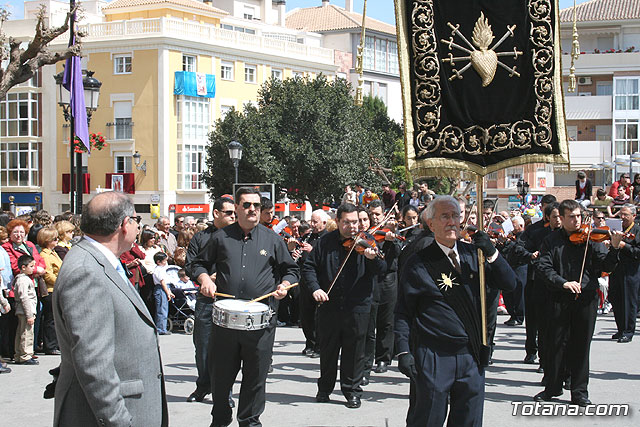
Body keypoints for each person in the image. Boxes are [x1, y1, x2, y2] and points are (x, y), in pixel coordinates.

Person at [395, 196, 516, 426]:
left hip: (471, 352)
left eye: (456, 216)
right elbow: (403, 311)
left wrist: (491, 252)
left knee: (468, 419)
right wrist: (402, 350)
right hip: (433, 354)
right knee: (427, 418)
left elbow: (510, 284)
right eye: (445, 216)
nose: (452, 222)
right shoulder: (418, 262)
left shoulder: (477, 255)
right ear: (431, 224)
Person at [52, 191, 168, 427]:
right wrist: (118, 421)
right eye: (137, 220)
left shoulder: (102, 260)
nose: (138, 227)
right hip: (109, 414)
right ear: (125, 225)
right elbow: (93, 362)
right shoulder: (86, 270)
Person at [190, 187, 298, 427]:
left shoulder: (272, 239)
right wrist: (205, 279)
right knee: (221, 376)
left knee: (255, 377)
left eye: (256, 206)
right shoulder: (220, 237)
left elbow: (291, 269)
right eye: (247, 205)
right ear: (237, 208)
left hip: (261, 323)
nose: (252, 210)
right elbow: (198, 264)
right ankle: (220, 417)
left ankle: (249, 420)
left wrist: (285, 285)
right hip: (225, 324)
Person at [534, 200, 622, 406]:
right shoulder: (551, 241)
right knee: (555, 344)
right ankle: (553, 388)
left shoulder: (592, 240)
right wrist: (563, 283)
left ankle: (579, 391)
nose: (576, 221)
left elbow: (606, 267)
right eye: (571, 217)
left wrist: (615, 248)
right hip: (559, 297)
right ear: (562, 219)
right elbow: (544, 267)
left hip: (585, 299)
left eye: (579, 217)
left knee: (581, 345)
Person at [302, 203, 385, 409]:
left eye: (355, 222)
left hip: (358, 306)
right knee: (328, 350)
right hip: (329, 305)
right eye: (346, 222)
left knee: (355, 351)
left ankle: (352, 391)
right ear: (338, 222)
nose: (352, 227)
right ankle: (325, 389)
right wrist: (315, 288)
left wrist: (372, 259)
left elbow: (382, 270)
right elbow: (309, 267)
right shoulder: (324, 242)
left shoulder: (368, 242)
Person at [184, 196, 235, 404]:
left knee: (227, 350)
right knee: (203, 346)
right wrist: (204, 277)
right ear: (216, 214)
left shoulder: (238, 237)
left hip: (229, 299)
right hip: (206, 300)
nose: (233, 216)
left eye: (234, 213)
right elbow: (190, 265)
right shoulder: (200, 237)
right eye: (228, 213)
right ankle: (203, 386)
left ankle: (225, 392)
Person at [363, 200, 400, 381]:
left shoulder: (391, 231)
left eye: (377, 214)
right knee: (370, 320)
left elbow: (400, 251)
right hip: (371, 280)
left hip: (388, 279)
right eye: (372, 214)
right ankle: (366, 360)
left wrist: (392, 242)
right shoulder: (367, 232)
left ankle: (384, 357)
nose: (374, 217)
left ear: (384, 214)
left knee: (386, 319)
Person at [296, 209, 329, 357]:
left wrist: (313, 250)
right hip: (305, 281)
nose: (312, 224)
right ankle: (309, 342)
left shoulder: (328, 238)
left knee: (319, 317)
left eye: (315, 222)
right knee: (306, 315)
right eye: (311, 221)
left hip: (320, 281)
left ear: (324, 222)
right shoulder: (308, 236)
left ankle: (319, 346)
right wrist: (296, 253)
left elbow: (327, 258)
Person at [608, 205, 640, 343]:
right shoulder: (618, 229)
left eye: (626, 215)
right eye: (621, 214)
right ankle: (620, 328)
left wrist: (623, 245)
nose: (623, 217)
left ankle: (628, 331)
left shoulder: (637, 230)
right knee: (616, 299)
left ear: (633, 215)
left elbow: (637, 252)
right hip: (616, 269)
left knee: (629, 301)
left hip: (631, 271)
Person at [37, 227, 62, 355]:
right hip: (50, 289)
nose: (57, 241)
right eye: (54, 239)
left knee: (55, 318)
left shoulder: (53, 253)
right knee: (50, 319)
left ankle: (55, 344)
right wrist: (61, 280)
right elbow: (48, 275)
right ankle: (50, 345)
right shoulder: (45, 255)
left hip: (56, 288)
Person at [13, 255, 38, 365]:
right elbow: (24, 297)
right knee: (26, 334)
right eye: (31, 266)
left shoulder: (24, 279)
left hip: (24, 310)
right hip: (25, 311)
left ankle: (19, 354)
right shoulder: (23, 280)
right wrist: (29, 315)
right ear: (23, 267)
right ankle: (25, 355)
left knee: (22, 332)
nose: (33, 268)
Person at [502, 216, 527, 326]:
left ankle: (519, 316)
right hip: (510, 265)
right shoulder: (513, 237)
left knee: (518, 292)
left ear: (521, 226)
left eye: (514, 226)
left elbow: (519, 250)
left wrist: (508, 243)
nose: (511, 228)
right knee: (509, 291)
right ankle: (512, 314)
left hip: (520, 267)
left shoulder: (524, 237)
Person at [152, 252, 174, 335]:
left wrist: (169, 291)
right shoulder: (158, 270)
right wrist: (167, 292)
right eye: (164, 261)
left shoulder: (163, 269)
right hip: (161, 289)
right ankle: (161, 328)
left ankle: (162, 327)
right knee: (161, 309)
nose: (166, 263)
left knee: (164, 308)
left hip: (164, 288)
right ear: (158, 262)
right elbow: (163, 282)